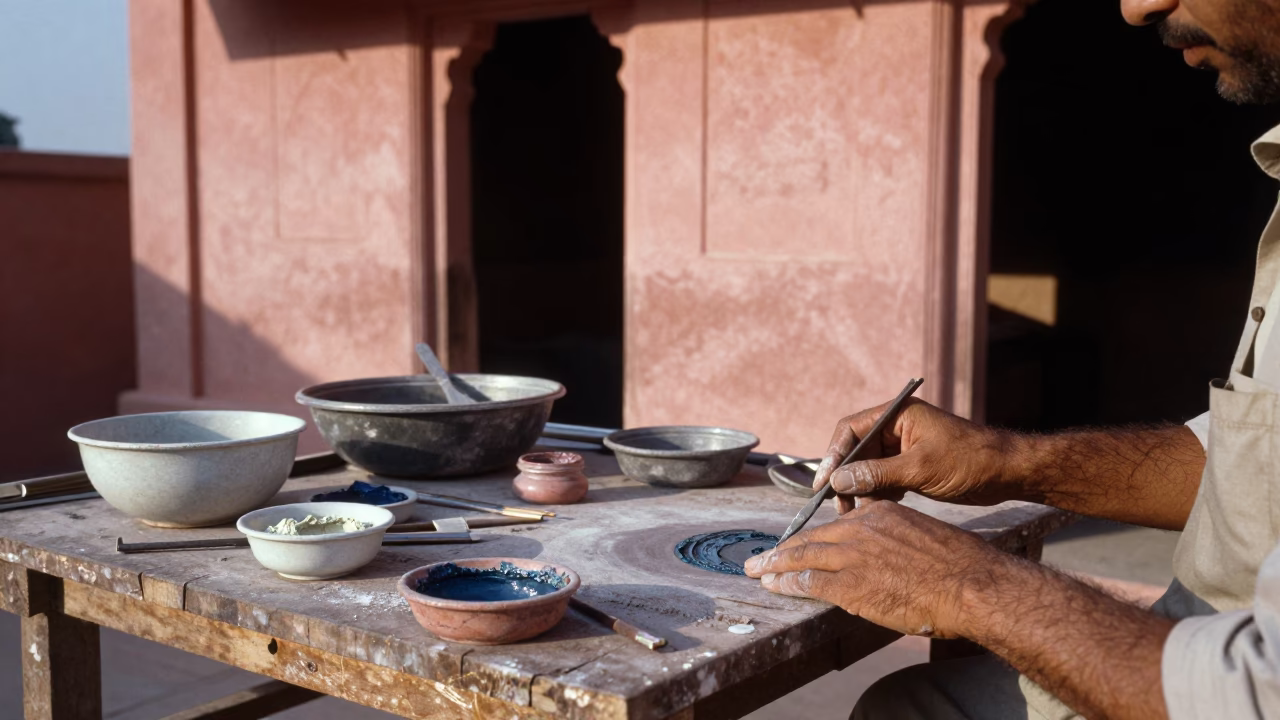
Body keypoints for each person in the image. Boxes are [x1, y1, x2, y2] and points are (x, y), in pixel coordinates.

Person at [743, 1, 1280, 718]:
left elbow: (1261, 690)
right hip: (1201, 633)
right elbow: (1249, 465)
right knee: (911, 705)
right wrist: (1003, 460)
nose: (1136, 7)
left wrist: (971, 586)